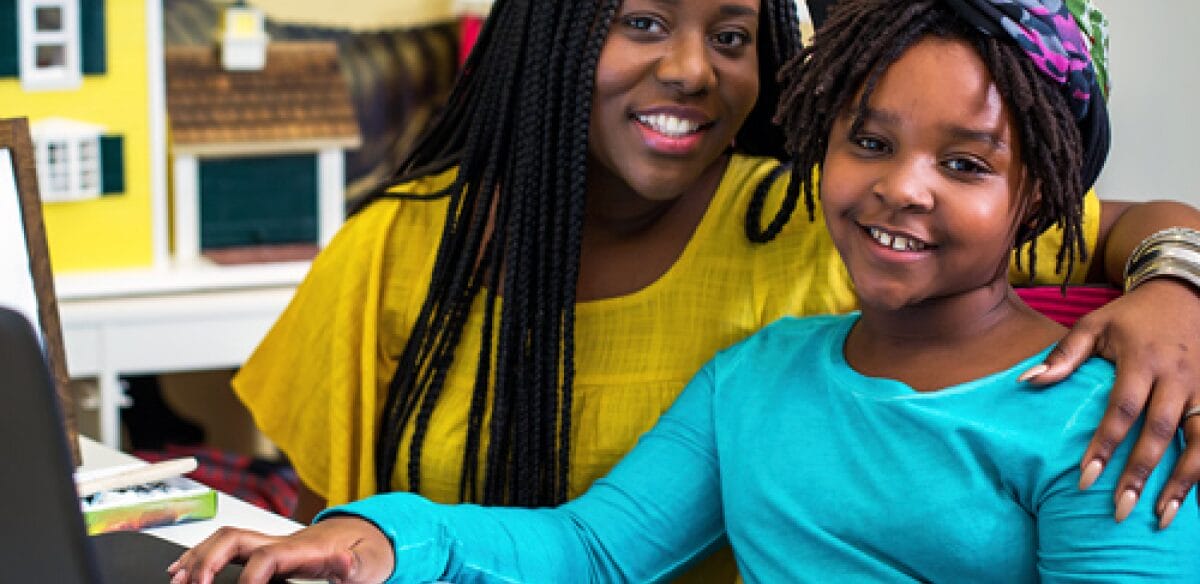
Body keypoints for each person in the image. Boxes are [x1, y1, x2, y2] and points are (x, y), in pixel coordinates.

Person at [168, 2, 1200, 581]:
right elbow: (591, 546)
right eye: (870, 142)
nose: (903, 186)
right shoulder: (753, 379)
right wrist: (385, 537)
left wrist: (1179, 286)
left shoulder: (1109, 415)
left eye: (965, 164)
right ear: (823, 149)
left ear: (1040, 200)